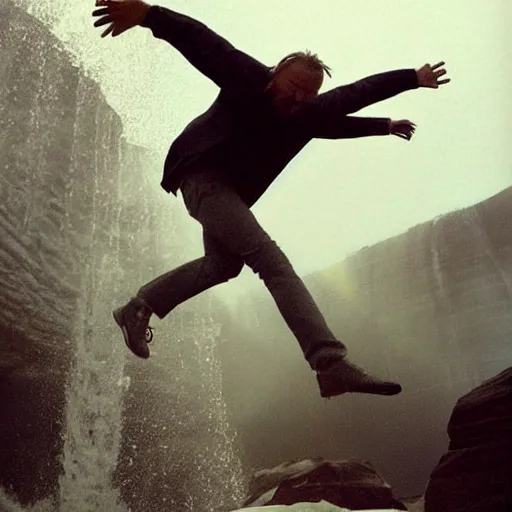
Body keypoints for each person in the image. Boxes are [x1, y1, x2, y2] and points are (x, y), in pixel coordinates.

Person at [92, 0, 450, 398]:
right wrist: (147, 15)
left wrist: (398, 101)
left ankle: (137, 309)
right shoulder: (246, 76)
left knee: (223, 265)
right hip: (199, 176)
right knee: (269, 259)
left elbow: (355, 95)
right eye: (292, 88)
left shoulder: (309, 112)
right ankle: (329, 362)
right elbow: (204, 42)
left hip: (229, 195)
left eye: (307, 95)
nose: (296, 99)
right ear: (276, 73)